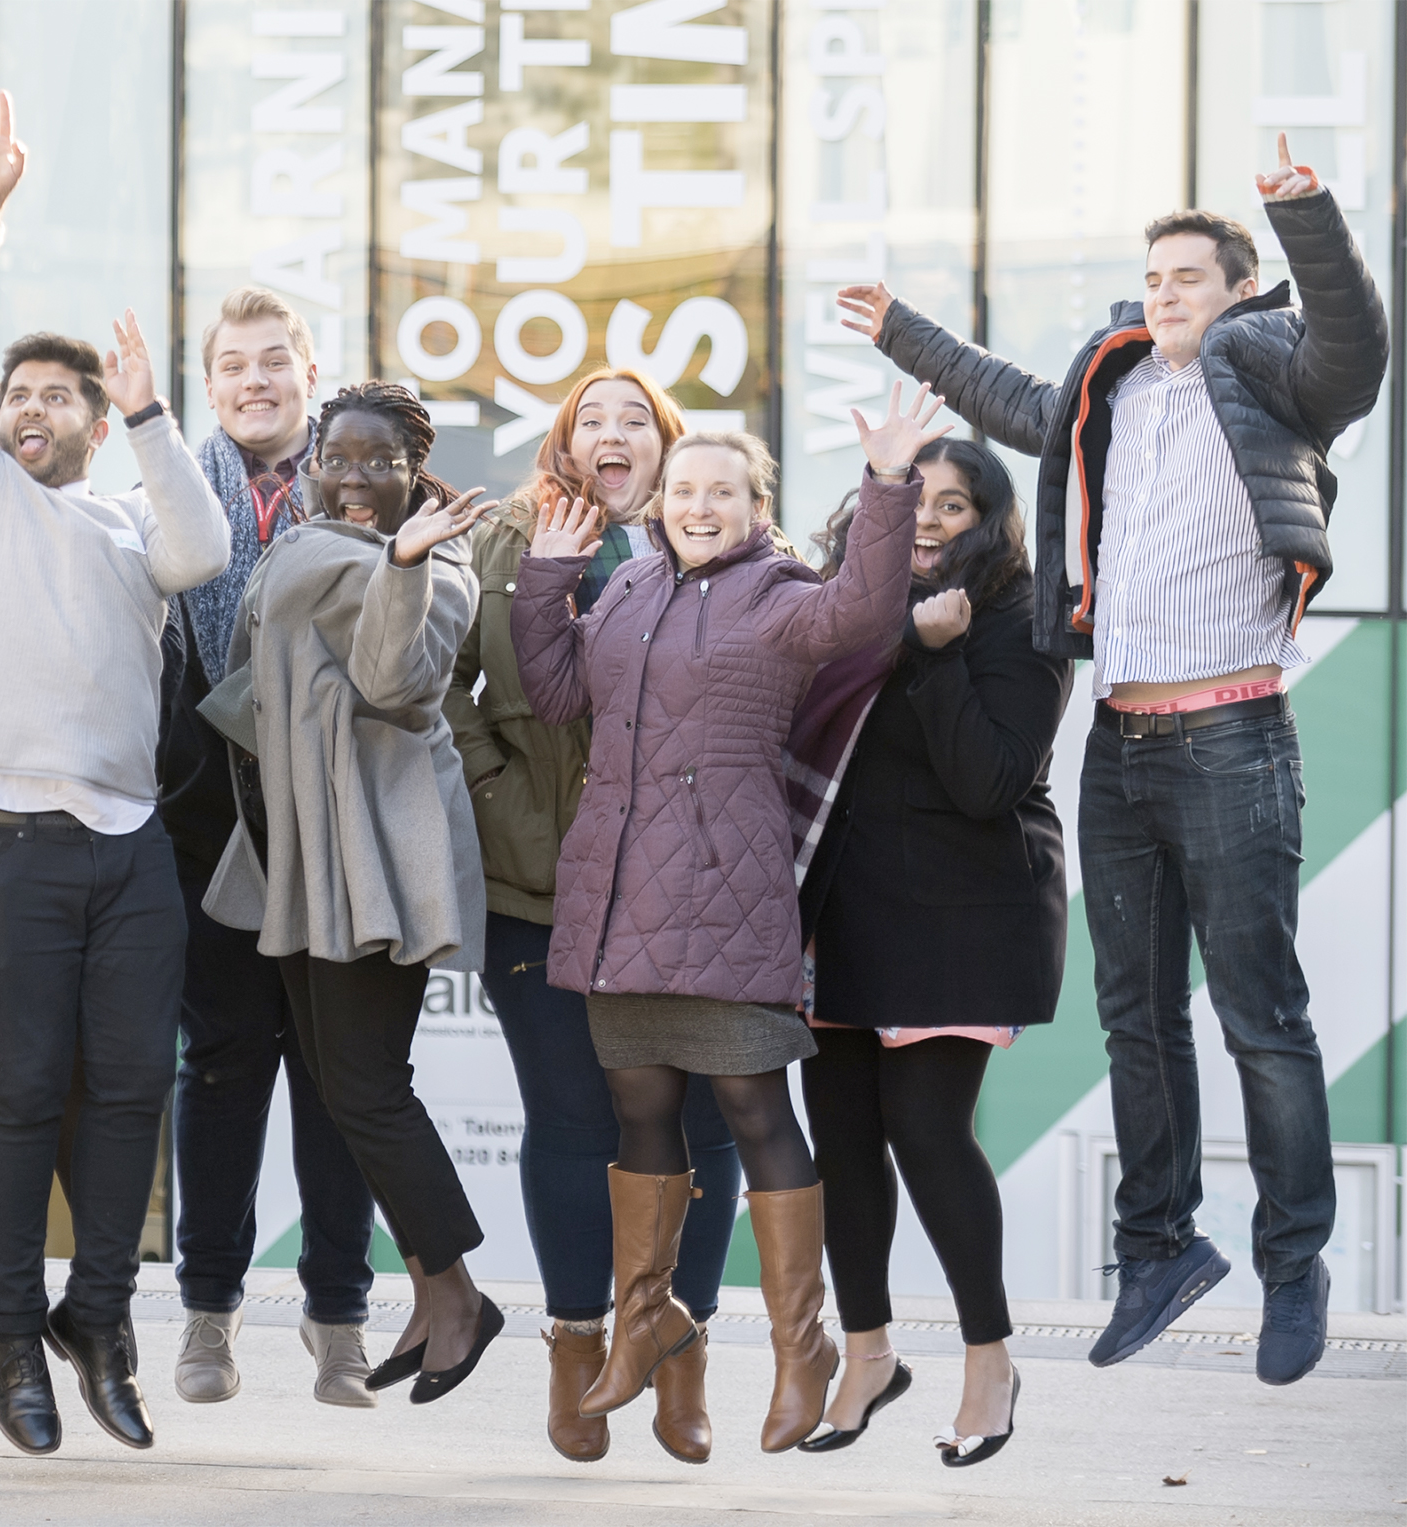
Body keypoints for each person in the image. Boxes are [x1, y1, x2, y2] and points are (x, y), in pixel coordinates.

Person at [840, 135, 1385, 1385]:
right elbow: (1007, 400)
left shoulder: (1277, 383)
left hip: (1236, 732)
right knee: (1137, 1015)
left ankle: (1293, 1264)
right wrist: (903, 333)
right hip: (1122, 743)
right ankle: (1159, 1247)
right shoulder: (1110, 390)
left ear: (1240, 294)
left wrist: (1303, 212)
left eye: (1188, 276)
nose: (1163, 293)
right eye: (1151, 276)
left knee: (1263, 1017)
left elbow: (1356, 345)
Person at [0, 87, 229, 1457]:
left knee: (132, 1087)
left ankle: (104, 1316)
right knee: (22, 1084)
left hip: (129, 845)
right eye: (13, 393)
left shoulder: (122, 520)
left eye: (57, 395)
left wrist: (154, 420)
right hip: (3, 841)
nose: (28, 406)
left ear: (93, 422)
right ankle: (14, 1335)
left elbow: (203, 552)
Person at [514, 394, 934, 1455]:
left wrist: (888, 487)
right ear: (659, 502)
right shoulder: (630, 589)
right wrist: (548, 578)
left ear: (756, 507)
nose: (700, 506)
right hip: (619, 901)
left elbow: (867, 617)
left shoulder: (781, 594)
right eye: (685, 490)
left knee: (754, 1112)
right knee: (639, 1113)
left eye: (722, 492)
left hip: (725, 891)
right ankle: (644, 1315)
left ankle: (805, 1348)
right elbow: (556, 693)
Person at [445, 367, 741, 1464]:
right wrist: (499, 802)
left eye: (636, 419)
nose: (612, 434)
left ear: (670, 447)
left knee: (701, 1128)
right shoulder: (510, 536)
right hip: (541, 888)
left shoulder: (724, 535)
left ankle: (677, 1347)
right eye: (590, 418)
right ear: (564, 441)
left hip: (698, 902)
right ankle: (576, 1348)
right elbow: (443, 688)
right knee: (575, 1123)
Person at [208, 380, 501, 1408]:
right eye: (341, 458)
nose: (359, 479)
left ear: (414, 465)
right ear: (316, 461)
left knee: (369, 1090)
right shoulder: (303, 536)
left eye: (380, 461)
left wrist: (411, 561)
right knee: (343, 1089)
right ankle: (440, 1289)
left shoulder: (444, 557)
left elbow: (396, 682)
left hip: (377, 856)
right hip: (298, 851)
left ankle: (462, 1298)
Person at [790, 439, 1068, 1466]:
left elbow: (990, 781)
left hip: (963, 909)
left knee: (925, 1127)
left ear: (989, 517)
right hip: (847, 907)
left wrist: (942, 653)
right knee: (844, 1137)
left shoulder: (1021, 620)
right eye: (916, 501)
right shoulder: (845, 603)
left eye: (957, 505)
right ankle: (867, 1354)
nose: (933, 522)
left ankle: (989, 1360)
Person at [161, 286, 381, 1410]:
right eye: (233, 365)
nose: (255, 381)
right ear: (210, 386)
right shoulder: (170, 495)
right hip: (209, 835)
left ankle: (339, 1316)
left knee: (341, 1082)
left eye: (273, 361)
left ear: (309, 369)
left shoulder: (367, 484)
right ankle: (209, 1314)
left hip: (339, 831)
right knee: (224, 1069)